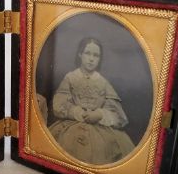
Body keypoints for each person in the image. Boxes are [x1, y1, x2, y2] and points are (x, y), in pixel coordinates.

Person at [49, 37, 135, 165]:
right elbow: (59, 104)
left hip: (99, 130)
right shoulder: (71, 77)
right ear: (80, 54)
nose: (91, 59)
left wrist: (100, 114)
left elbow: (116, 112)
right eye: (87, 53)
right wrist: (77, 112)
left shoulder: (103, 82)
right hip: (72, 124)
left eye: (96, 55)